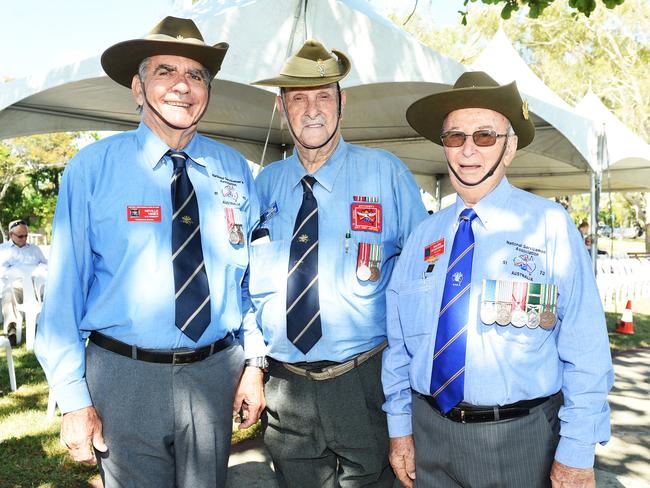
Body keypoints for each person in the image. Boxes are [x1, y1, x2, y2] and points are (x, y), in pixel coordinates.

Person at [35, 16, 266, 488]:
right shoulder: (93, 169)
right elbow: (63, 294)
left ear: (208, 91)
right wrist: (74, 399)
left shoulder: (235, 171)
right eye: (166, 71)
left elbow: (251, 284)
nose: (182, 86)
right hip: (124, 377)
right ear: (138, 89)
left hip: (215, 372)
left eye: (196, 75)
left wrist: (254, 363)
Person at [382, 72, 614, 488]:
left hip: (520, 443)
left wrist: (576, 454)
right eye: (455, 137)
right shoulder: (422, 237)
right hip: (430, 438)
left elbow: (587, 353)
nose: (468, 149)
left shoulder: (549, 226)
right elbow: (399, 348)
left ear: (510, 149)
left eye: (485, 136)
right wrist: (400, 430)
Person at [250, 40, 427, 487]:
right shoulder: (265, 185)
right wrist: (253, 366)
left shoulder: (385, 173)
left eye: (324, 96)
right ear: (281, 107)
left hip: (364, 381)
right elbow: (241, 284)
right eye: (298, 98)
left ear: (342, 103)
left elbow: (425, 280)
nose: (312, 110)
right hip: (285, 388)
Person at [0, 219, 47, 346]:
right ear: (11, 235)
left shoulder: (35, 249)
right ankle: (12, 330)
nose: (24, 238)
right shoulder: (3, 250)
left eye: (26, 235)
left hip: (34, 285)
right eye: (21, 236)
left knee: (49, 292)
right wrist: (15, 272)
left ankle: (41, 326)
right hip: (15, 285)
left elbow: (46, 264)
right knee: (8, 294)